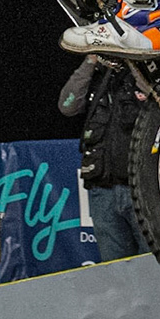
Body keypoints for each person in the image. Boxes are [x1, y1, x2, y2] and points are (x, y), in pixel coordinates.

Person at [57, 54, 147, 261]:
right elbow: (67, 106)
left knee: (152, 267)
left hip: (142, 189)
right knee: (116, 271)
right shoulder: (97, 77)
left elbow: (158, 96)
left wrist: (132, 59)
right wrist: (91, 61)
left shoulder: (147, 69)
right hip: (102, 190)